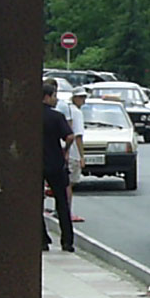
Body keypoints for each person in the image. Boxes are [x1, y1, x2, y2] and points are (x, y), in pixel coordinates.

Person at [42, 82, 75, 252]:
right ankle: (67, 241)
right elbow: (70, 136)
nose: (56, 99)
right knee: (62, 201)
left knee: (36, 202)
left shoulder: (29, 116)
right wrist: (65, 150)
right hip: (55, 162)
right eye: (54, 95)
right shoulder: (56, 117)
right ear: (47, 97)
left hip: (36, 164)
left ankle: (42, 239)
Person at [68, 86, 87, 222]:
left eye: (84, 97)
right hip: (73, 153)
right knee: (70, 183)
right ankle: (67, 211)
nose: (83, 100)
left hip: (67, 152)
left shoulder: (68, 110)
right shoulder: (77, 113)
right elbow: (78, 136)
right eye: (80, 97)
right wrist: (82, 156)